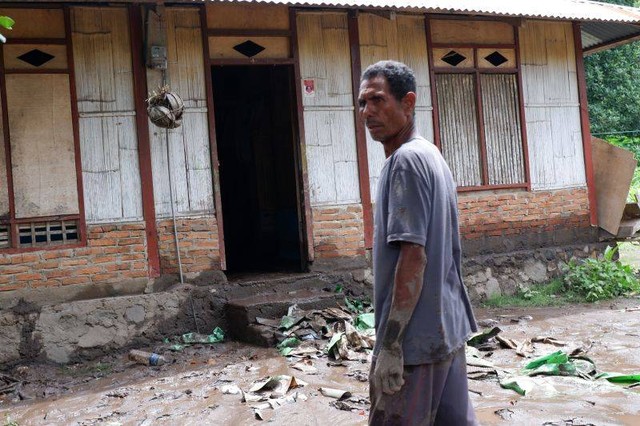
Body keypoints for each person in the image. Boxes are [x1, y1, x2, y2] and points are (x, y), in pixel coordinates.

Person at [358, 60, 478, 425]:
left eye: (378, 100)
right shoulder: (429, 153)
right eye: (363, 103)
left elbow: (413, 257)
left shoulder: (406, 162)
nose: (368, 112)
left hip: (416, 345)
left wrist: (391, 346)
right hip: (446, 332)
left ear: (408, 102)